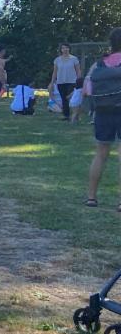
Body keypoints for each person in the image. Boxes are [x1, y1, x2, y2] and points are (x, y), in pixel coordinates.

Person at [84, 27, 121, 209]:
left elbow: (87, 90)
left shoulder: (98, 64)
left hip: (103, 112)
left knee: (100, 154)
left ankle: (91, 197)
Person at [50, 44, 83, 122]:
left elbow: (78, 71)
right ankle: (66, 115)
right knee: (64, 99)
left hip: (72, 82)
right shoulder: (57, 60)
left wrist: (79, 81)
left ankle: (75, 115)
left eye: (66, 48)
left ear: (69, 49)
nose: (65, 49)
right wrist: (52, 82)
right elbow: (55, 72)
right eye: (63, 48)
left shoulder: (74, 59)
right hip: (61, 82)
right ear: (61, 50)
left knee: (72, 98)